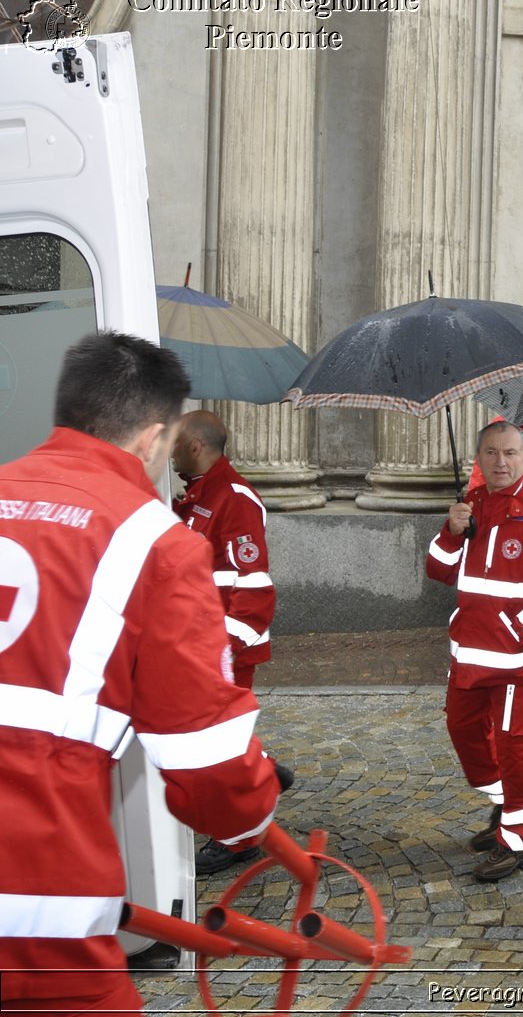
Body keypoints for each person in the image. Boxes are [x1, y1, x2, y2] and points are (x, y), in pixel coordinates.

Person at [0, 333, 281, 1013]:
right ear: (153, 436)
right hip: (36, 891)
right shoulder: (153, 541)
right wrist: (251, 813)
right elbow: (205, 759)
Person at [425, 421, 523, 882]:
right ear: (479, 457)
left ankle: (517, 836)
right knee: (462, 728)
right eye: (491, 453)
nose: (500, 462)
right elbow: (439, 571)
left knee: (518, 745)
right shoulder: (470, 504)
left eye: (510, 453)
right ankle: (503, 803)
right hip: (470, 652)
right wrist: (451, 531)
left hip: (518, 659)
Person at [171, 410, 292, 875]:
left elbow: (254, 588)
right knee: (216, 737)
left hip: (221, 648)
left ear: (196, 447)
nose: (170, 451)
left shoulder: (234, 498)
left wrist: (224, 649)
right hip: (197, 644)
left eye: (176, 442)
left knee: (219, 740)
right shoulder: (200, 495)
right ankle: (262, 771)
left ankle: (240, 839)